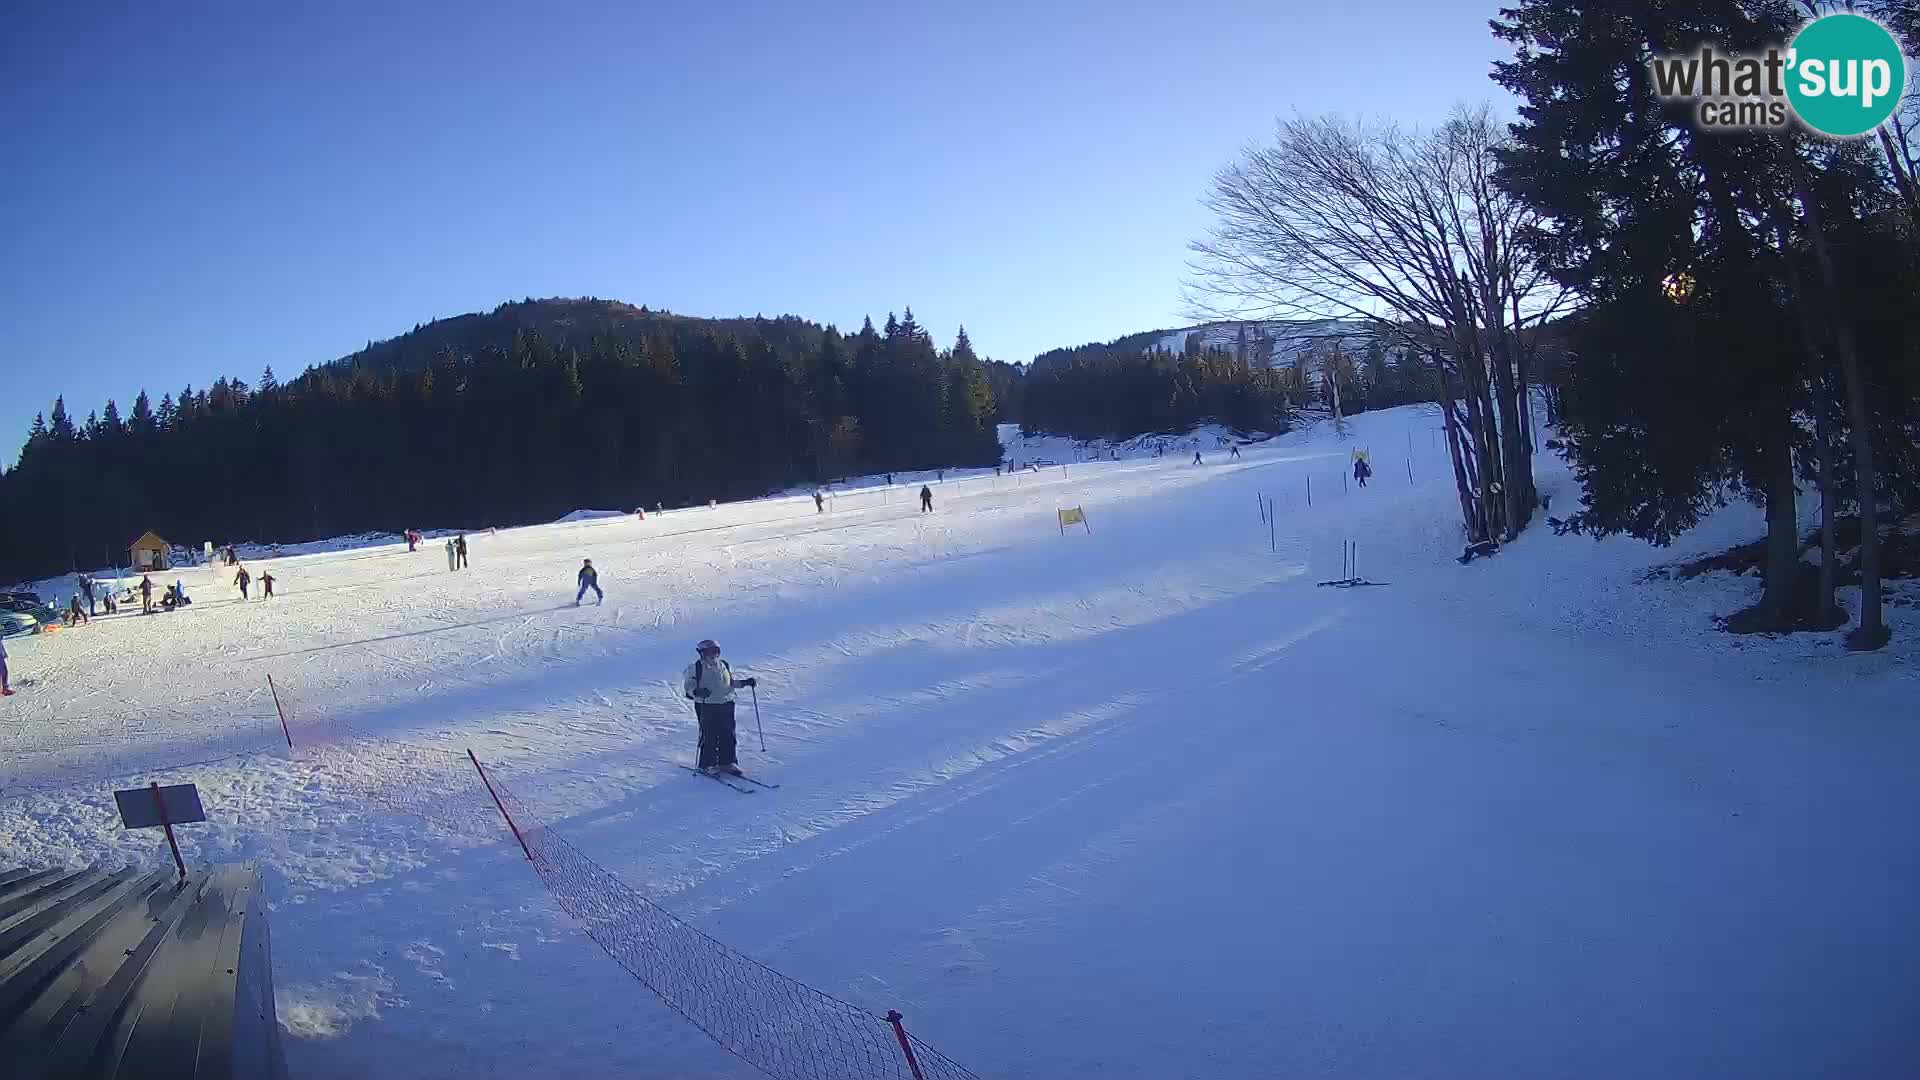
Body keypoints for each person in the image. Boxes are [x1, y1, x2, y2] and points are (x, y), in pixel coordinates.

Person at [683, 640, 755, 775]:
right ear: (702, 653)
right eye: (710, 651)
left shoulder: (723, 665)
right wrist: (696, 691)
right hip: (706, 705)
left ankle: (727, 762)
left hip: (726, 703)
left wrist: (745, 683)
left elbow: (730, 683)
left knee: (728, 734)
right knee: (710, 734)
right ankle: (707, 764)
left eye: (716, 651)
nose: (714, 654)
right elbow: (689, 686)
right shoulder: (696, 667)